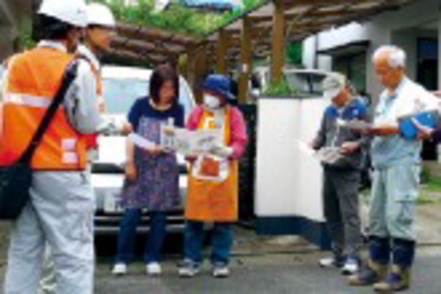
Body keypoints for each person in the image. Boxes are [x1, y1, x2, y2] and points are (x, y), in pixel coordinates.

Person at [1, 0, 102, 293]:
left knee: (23, 253)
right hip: (62, 173)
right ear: (71, 31)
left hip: (19, 174)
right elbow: (87, 124)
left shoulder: (12, 65)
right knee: (73, 256)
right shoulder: (77, 69)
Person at [38, 3, 132, 293]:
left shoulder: (89, 63)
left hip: (75, 155)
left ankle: (51, 285)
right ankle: (50, 286)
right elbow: (86, 119)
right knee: (68, 233)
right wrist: (116, 126)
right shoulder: (78, 64)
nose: (111, 36)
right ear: (84, 29)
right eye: (105, 29)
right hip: (69, 159)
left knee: (62, 232)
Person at [348, 45, 439, 292]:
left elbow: (431, 122)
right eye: (377, 72)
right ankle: (377, 267)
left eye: (384, 72)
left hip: (402, 163)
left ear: (400, 69)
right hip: (382, 163)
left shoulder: (415, 93)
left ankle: (400, 273)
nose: (380, 77)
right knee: (377, 218)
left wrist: (395, 129)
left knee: (399, 217)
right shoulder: (387, 95)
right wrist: (368, 131)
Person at [111, 63, 184, 276]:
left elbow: (177, 139)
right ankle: (122, 258)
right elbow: (130, 133)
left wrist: (160, 147)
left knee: (159, 215)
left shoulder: (177, 109)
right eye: (164, 88)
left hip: (164, 167)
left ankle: (152, 257)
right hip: (140, 165)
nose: (168, 93)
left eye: (171, 89)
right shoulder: (141, 105)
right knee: (131, 213)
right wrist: (130, 162)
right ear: (155, 87)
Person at [178, 74, 247, 278]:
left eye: (216, 94)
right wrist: (187, 153)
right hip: (199, 172)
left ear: (224, 96)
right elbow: (186, 138)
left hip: (223, 174)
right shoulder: (196, 113)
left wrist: (229, 151)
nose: (212, 97)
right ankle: (191, 260)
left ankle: (220, 260)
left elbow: (240, 141)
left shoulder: (233, 115)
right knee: (193, 221)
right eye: (209, 93)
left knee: (223, 221)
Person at [311, 73, 369, 275]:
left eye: (335, 93)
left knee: (349, 215)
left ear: (344, 88)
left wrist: (356, 144)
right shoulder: (329, 110)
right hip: (329, 166)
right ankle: (338, 255)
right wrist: (314, 142)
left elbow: (370, 136)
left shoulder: (359, 108)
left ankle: (353, 257)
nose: (333, 98)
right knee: (331, 212)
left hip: (348, 169)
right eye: (330, 95)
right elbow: (322, 133)